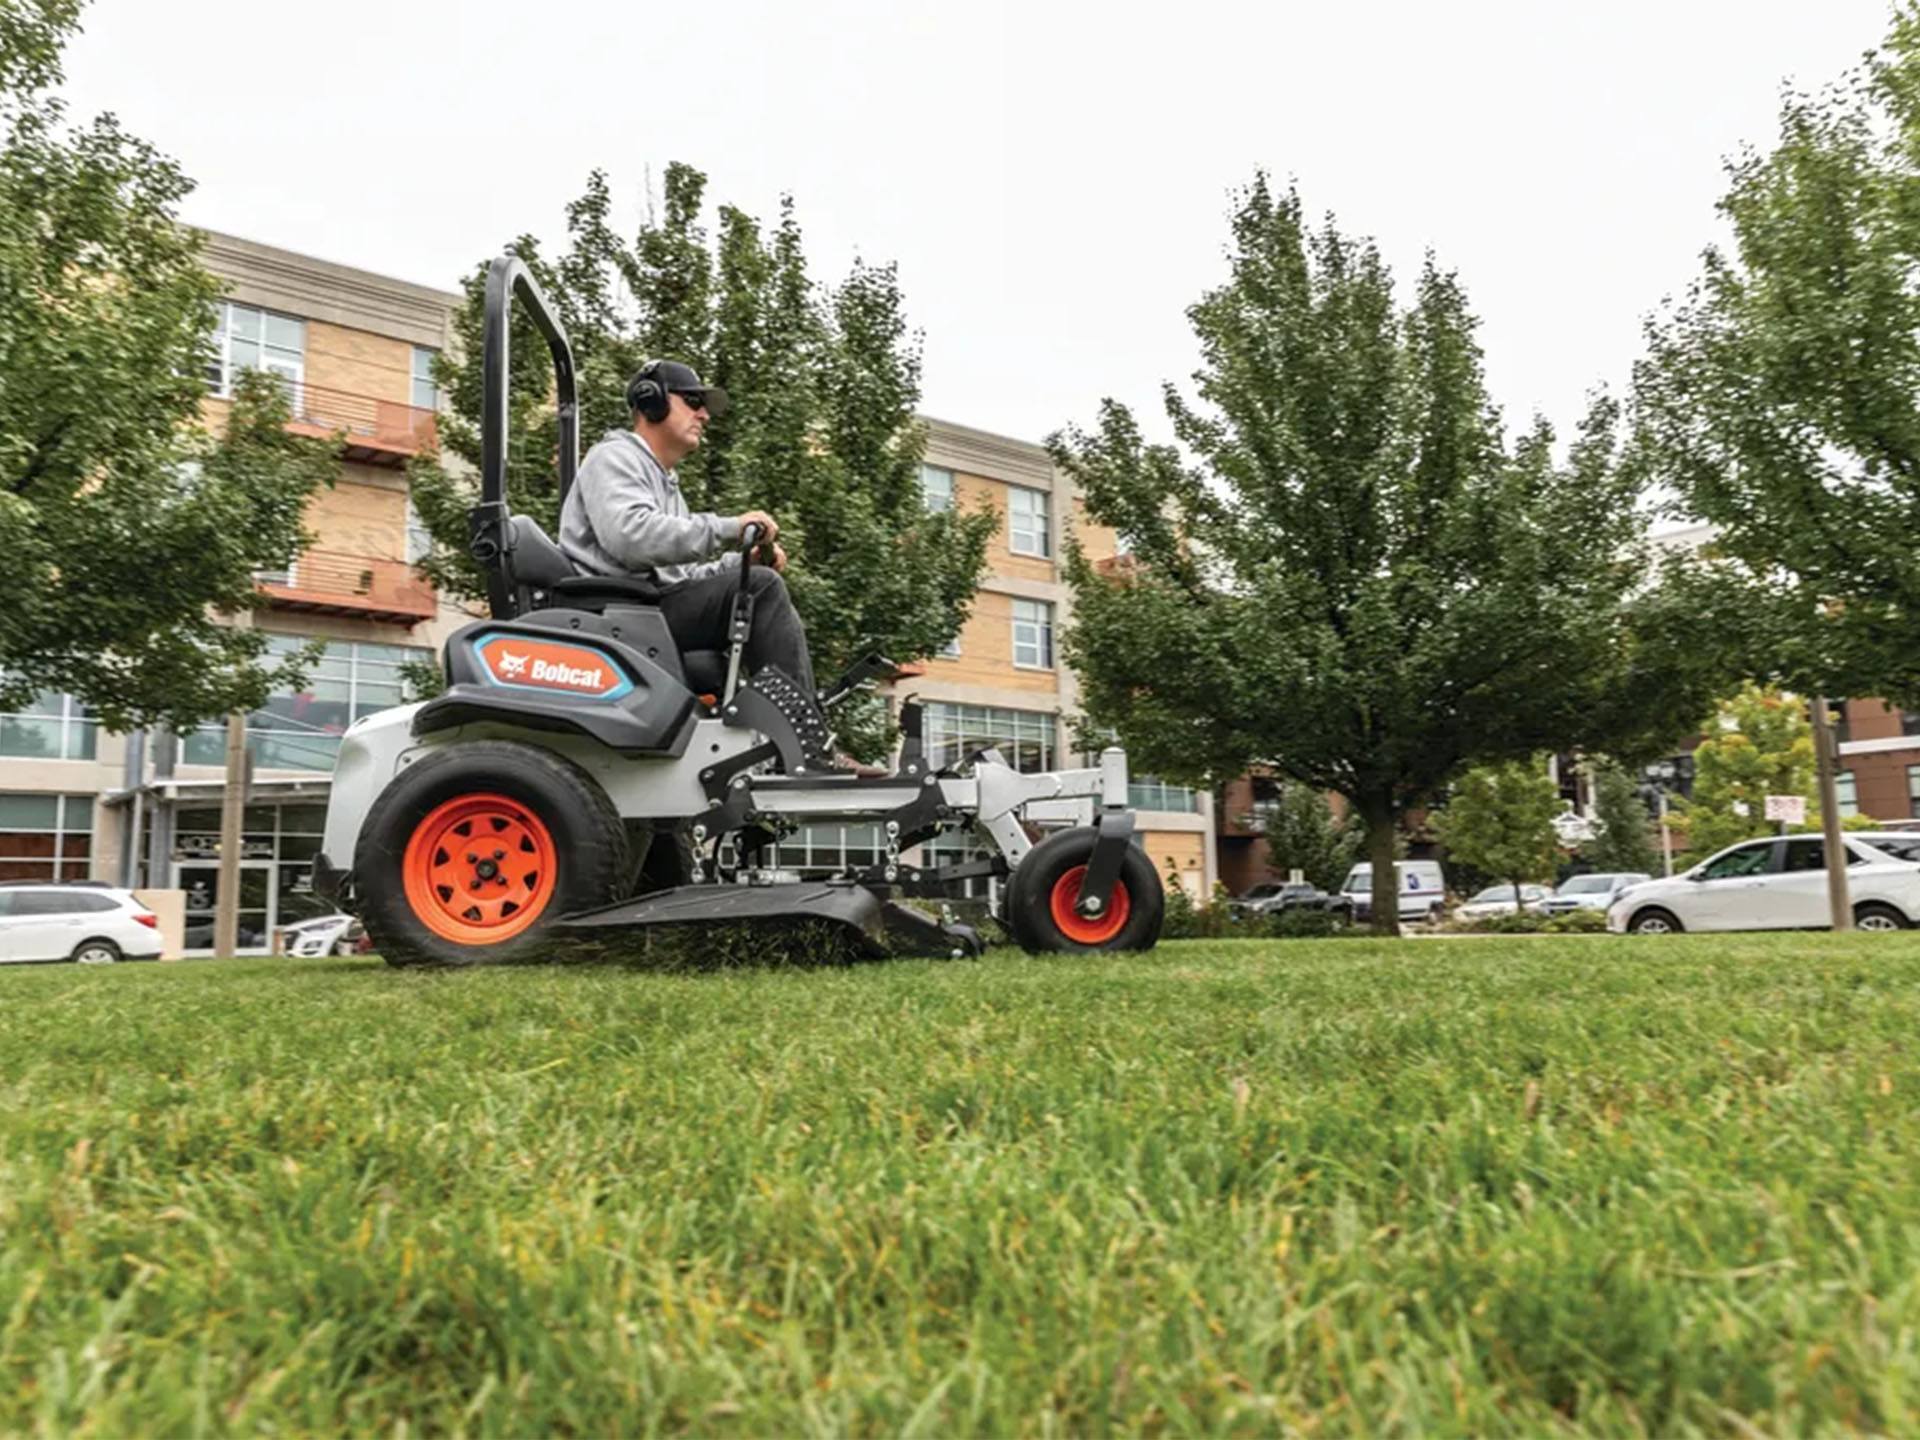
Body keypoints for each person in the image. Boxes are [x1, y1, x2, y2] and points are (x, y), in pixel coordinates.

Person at [559, 359, 818, 702]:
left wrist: (740, 564)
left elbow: (682, 579)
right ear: (652, 401)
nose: (704, 416)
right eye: (693, 403)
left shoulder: (664, 484)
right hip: (616, 610)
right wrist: (730, 527)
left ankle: (777, 733)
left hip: (647, 605)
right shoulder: (613, 457)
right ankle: (800, 730)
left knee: (752, 582)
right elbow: (632, 538)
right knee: (761, 590)